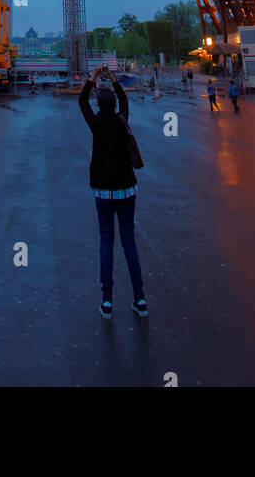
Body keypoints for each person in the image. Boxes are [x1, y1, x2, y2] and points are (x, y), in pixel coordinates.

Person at [78, 64, 146, 320]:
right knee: (129, 242)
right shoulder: (122, 119)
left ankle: (107, 300)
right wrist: (113, 78)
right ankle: (140, 298)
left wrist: (93, 77)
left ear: (99, 103)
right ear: (115, 102)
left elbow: (82, 101)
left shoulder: (96, 124)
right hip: (127, 188)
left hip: (103, 191)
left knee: (106, 242)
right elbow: (125, 101)